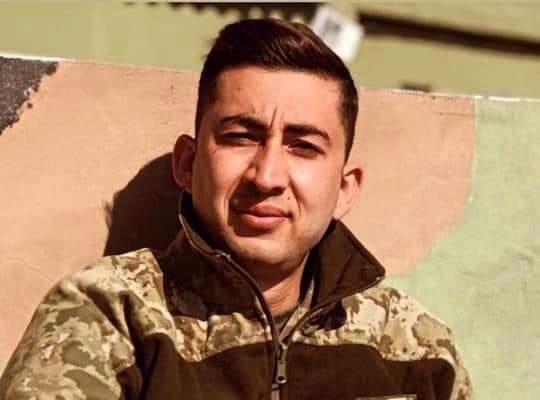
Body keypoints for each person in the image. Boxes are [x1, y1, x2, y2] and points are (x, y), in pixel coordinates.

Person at [0, 18, 472, 400]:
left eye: (303, 146)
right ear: (188, 164)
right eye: (240, 137)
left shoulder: (414, 346)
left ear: (345, 189)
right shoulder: (110, 316)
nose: (266, 176)